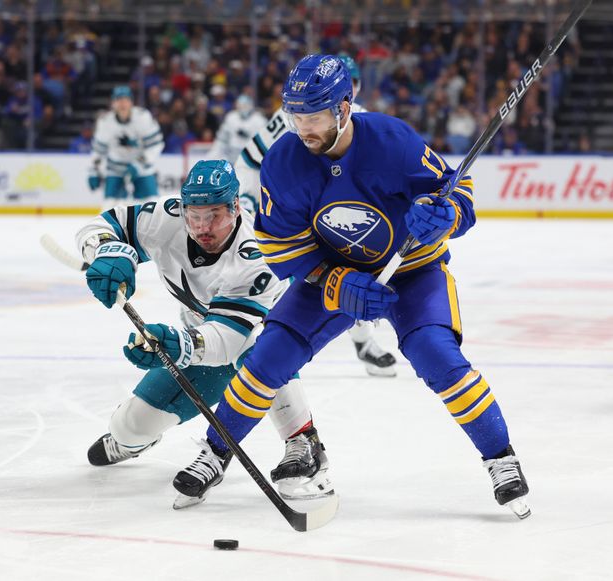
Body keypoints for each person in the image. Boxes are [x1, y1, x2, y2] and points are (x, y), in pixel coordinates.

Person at [173, 54, 531, 519]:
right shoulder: (283, 162)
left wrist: (444, 215)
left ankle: (501, 459)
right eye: (296, 116)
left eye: (315, 116)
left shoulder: (392, 140)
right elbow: (281, 248)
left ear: (345, 106)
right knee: (268, 357)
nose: (304, 128)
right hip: (334, 274)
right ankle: (214, 453)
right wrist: (337, 282)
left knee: (437, 355)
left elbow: (456, 193)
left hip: (413, 270)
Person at [76, 159, 333, 507]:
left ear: (235, 207)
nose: (202, 227)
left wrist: (175, 343)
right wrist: (108, 250)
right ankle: (138, 438)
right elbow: (101, 225)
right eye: (194, 216)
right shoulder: (167, 218)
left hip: (250, 345)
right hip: (203, 343)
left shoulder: (255, 251)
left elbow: (228, 341)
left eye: (214, 215)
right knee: (127, 428)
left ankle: (302, 441)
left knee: (261, 343)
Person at [233, 54, 398, 377]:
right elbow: (251, 159)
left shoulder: (364, 122)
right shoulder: (293, 114)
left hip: (337, 219)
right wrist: (247, 201)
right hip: (295, 213)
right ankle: (231, 328)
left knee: (354, 280)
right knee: (276, 276)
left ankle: (363, 343)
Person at [88, 86, 163, 205]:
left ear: (131, 102)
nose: (123, 104)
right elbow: (98, 150)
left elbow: (156, 145)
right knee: (110, 208)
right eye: (119, 100)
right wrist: (93, 171)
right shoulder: (105, 122)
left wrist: (139, 164)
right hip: (115, 168)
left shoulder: (143, 118)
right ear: (113, 103)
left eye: (126, 100)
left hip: (141, 168)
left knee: (152, 205)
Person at [207, 93, 267, 164]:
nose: (243, 108)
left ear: (251, 105)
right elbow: (221, 139)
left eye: (245, 105)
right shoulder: (231, 117)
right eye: (240, 105)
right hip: (232, 157)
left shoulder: (260, 120)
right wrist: (212, 156)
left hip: (252, 158)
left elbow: (264, 142)